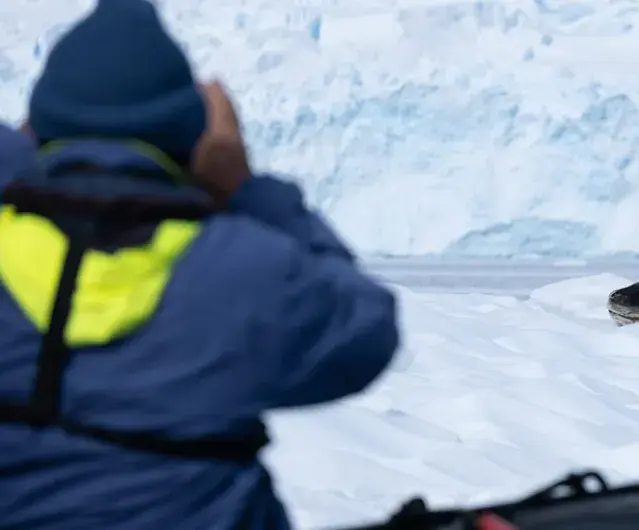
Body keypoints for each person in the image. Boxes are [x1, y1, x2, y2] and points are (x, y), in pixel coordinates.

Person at [0, 1, 400, 529]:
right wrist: (248, 188)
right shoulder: (237, 271)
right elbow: (363, 330)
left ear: (37, 129)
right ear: (188, 137)